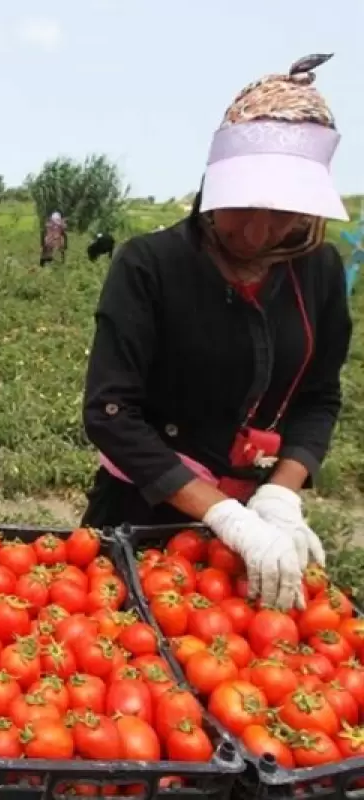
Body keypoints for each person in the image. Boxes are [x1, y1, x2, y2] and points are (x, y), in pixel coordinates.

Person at [81, 54, 352, 611]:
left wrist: (279, 493)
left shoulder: (319, 272)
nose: (258, 231)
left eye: (284, 214)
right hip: (142, 507)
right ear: (213, 185)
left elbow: (318, 397)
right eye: (244, 207)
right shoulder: (149, 266)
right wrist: (223, 515)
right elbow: (110, 412)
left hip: (254, 532)